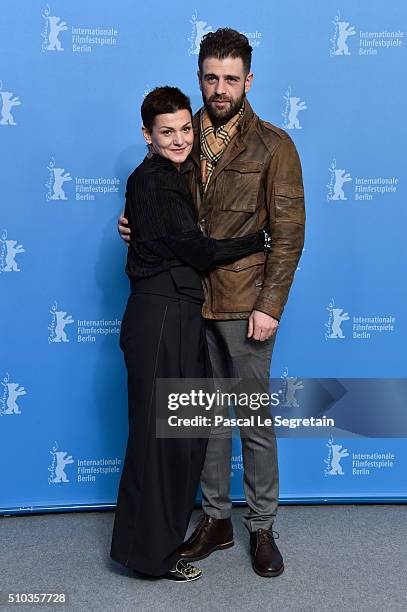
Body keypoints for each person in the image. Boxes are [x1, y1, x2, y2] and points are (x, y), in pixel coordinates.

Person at [118, 29, 305, 578]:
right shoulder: (180, 134)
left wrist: (270, 304)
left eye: (230, 78)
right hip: (186, 304)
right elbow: (160, 203)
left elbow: (288, 233)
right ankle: (215, 520)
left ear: (248, 80)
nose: (219, 88)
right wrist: (134, 224)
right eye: (210, 77)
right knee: (203, 420)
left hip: (246, 302)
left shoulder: (275, 146)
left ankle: (262, 525)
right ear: (200, 78)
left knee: (250, 416)